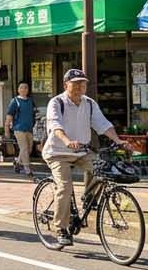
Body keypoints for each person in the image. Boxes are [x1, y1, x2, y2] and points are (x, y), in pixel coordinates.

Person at [44, 69, 119, 247]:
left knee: (101, 169)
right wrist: (67, 141)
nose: (80, 87)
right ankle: (61, 228)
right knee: (65, 187)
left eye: (83, 83)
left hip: (82, 151)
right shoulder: (56, 102)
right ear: (66, 85)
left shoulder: (89, 103)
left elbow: (103, 124)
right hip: (58, 153)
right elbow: (56, 125)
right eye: (75, 83)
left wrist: (118, 140)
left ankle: (88, 199)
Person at [6, 81, 37, 177]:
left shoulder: (30, 101)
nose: (24, 89)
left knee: (29, 149)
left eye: (26, 87)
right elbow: (9, 115)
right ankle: (27, 169)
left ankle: (18, 162)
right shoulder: (15, 101)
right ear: (18, 90)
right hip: (19, 128)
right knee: (24, 148)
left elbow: (35, 113)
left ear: (28, 90)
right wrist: (7, 129)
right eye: (21, 87)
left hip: (29, 128)